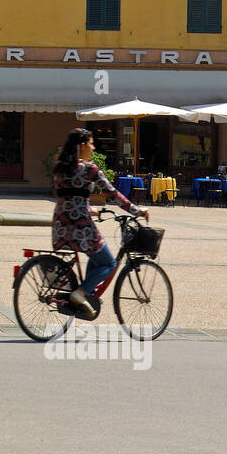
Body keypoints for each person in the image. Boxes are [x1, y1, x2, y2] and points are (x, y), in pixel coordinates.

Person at [51, 128, 148, 317]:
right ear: (82, 146)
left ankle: (86, 294)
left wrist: (87, 208)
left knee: (95, 255)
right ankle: (80, 293)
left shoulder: (60, 169)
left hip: (61, 227)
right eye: (91, 143)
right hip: (81, 227)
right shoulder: (89, 169)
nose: (93, 148)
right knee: (109, 263)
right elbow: (113, 194)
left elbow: (66, 197)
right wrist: (137, 210)